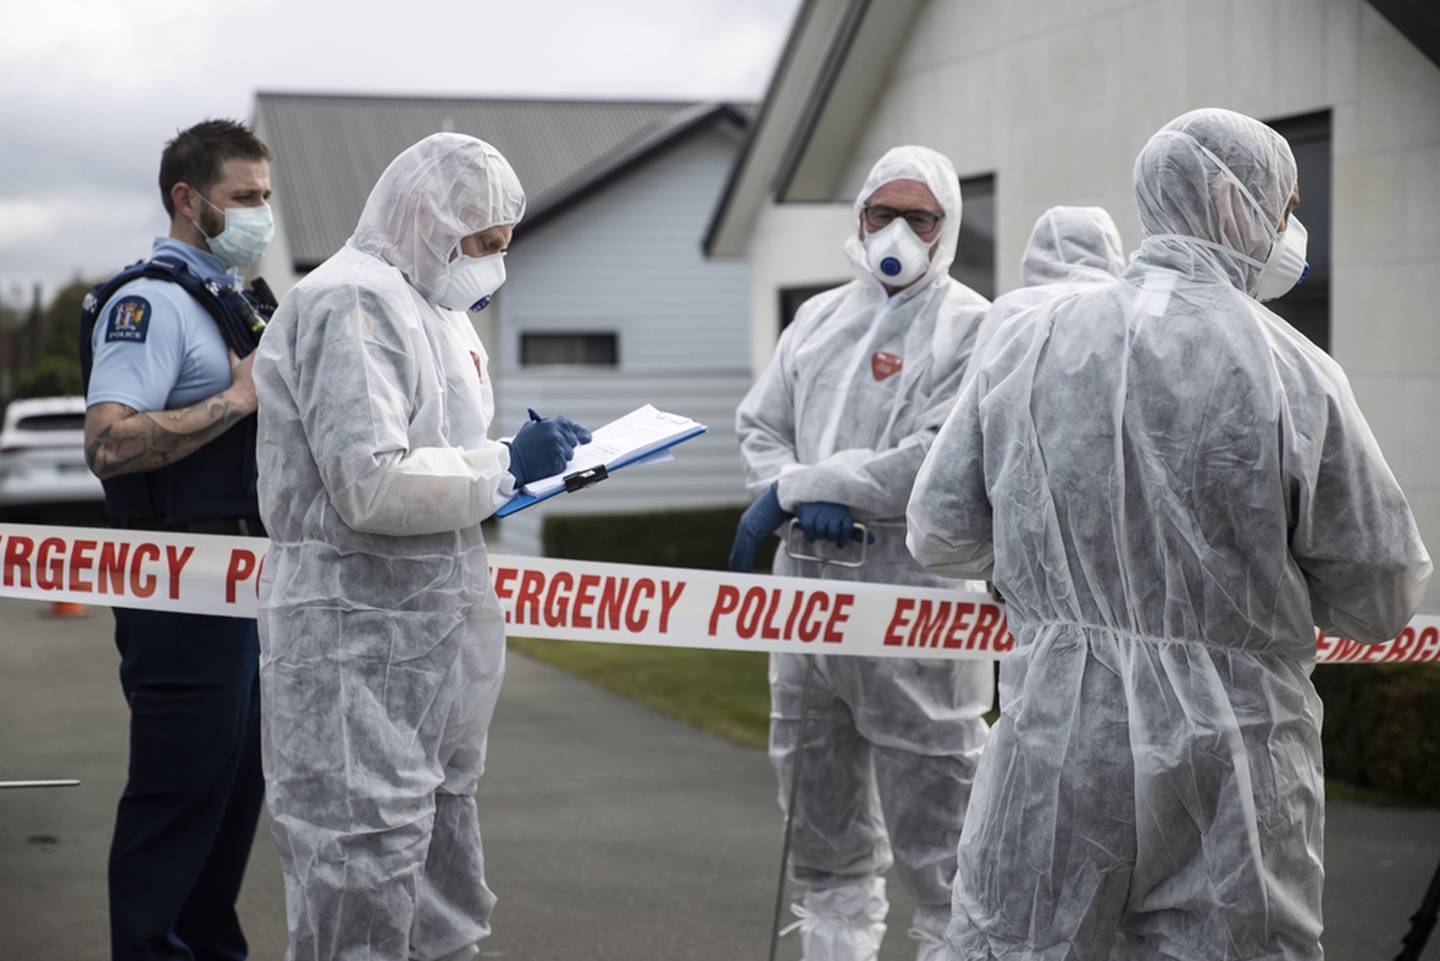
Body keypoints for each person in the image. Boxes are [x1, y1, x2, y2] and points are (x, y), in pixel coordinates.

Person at [907, 108, 1433, 960]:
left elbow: (940, 532)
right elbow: (1381, 594)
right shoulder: (1290, 370)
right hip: (1233, 761)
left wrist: (1058, 568)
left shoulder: (1026, 342)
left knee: (1017, 945)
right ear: (1234, 206)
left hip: (1054, 738)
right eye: (1285, 205)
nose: (1292, 229)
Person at [252, 132, 589, 961]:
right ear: (424, 216)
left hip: (425, 630)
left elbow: (442, 454)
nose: (490, 265)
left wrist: (513, 464)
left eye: (503, 245)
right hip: (352, 635)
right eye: (480, 243)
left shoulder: (435, 310)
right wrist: (506, 465)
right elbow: (368, 483)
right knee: (359, 862)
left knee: (437, 853)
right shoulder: (351, 302)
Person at [730, 145, 994, 961]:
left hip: (913, 607)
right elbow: (760, 427)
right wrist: (795, 490)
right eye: (884, 213)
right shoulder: (817, 318)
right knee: (820, 824)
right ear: (859, 219)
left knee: (944, 835)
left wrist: (809, 488)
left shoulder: (972, 326)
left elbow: (937, 456)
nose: (899, 232)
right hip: (807, 605)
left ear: (946, 229)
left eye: (920, 218)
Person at [80, 118, 275, 961]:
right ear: (188, 200)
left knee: (234, 792)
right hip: (180, 582)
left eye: (267, 197)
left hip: (247, 580)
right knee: (179, 791)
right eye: (244, 198)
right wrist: (238, 400)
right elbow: (108, 442)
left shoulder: (234, 301)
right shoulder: (150, 302)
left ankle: (206, 944)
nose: (261, 214)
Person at [971, 205, 1125, 358]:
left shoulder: (1010, 311)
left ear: (1038, 249)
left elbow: (978, 380)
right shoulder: (1125, 307)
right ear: (1111, 247)